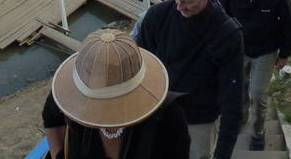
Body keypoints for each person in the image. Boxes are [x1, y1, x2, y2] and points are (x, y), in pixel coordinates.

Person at [135, 0, 243, 159]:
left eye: (187, 2)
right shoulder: (157, 16)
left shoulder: (227, 33)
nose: (179, 7)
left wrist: (223, 153)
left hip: (198, 121)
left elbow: (233, 99)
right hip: (158, 113)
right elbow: (139, 66)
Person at [43, 29, 190, 159]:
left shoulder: (169, 115)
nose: (101, 108)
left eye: (109, 99)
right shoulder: (68, 95)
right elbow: (50, 118)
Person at [218, 0, 291, 151]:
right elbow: (219, 18)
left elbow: (287, 25)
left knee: (258, 94)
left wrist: (285, 53)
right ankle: (241, 117)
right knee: (239, 89)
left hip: (265, 51)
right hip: (238, 50)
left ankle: (257, 132)